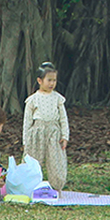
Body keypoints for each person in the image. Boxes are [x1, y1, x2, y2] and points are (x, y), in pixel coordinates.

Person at [22, 62, 69, 190]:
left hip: (54, 133)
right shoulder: (33, 100)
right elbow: (27, 122)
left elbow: (63, 119)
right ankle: (30, 186)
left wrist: (65, 136)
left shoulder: (58, 99)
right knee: (33, 160)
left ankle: (56, 186)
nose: (52, 83)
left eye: (54, 80)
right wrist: (25, 141)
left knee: (55, 161)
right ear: (40, 80)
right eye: (49, 80)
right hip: (37, 133)